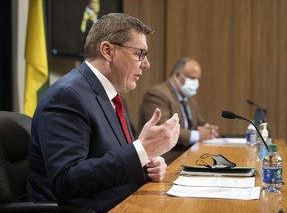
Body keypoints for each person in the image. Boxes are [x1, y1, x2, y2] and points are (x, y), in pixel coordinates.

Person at [27, 13, 180, 213]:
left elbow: (110, 161)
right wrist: (141, 151)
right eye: (139, 54)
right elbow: (67, 180)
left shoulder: (112, 96)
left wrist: (145, 163)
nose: (146, 63)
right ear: (107, 51)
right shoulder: (67, 96)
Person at [138, 57, 219, 164]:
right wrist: (199, 135)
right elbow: (164, 130)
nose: (196, 83)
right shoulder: (157, 94)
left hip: (188, 157)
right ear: (177, 75)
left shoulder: (189, 100)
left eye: (197, 79)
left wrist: (209, 130)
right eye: (192, 78)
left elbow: (200, 123)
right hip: (164, 161)